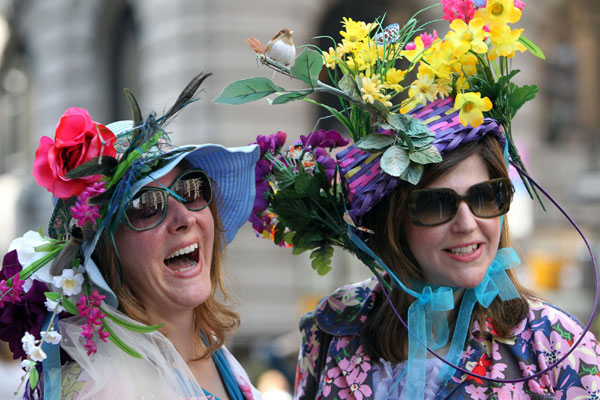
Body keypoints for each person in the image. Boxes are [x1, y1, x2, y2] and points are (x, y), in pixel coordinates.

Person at [213, 1, 600, 399]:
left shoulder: (555, 344)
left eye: (486, 197)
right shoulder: (332, 328)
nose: (467, 223)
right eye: (436, 204)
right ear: (396, 221)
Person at [0, 73, 262, 399]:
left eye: (191, 188)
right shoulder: (104, 388)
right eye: (145, 206)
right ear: (106, 253)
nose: (184, 217)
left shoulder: (210, 348)